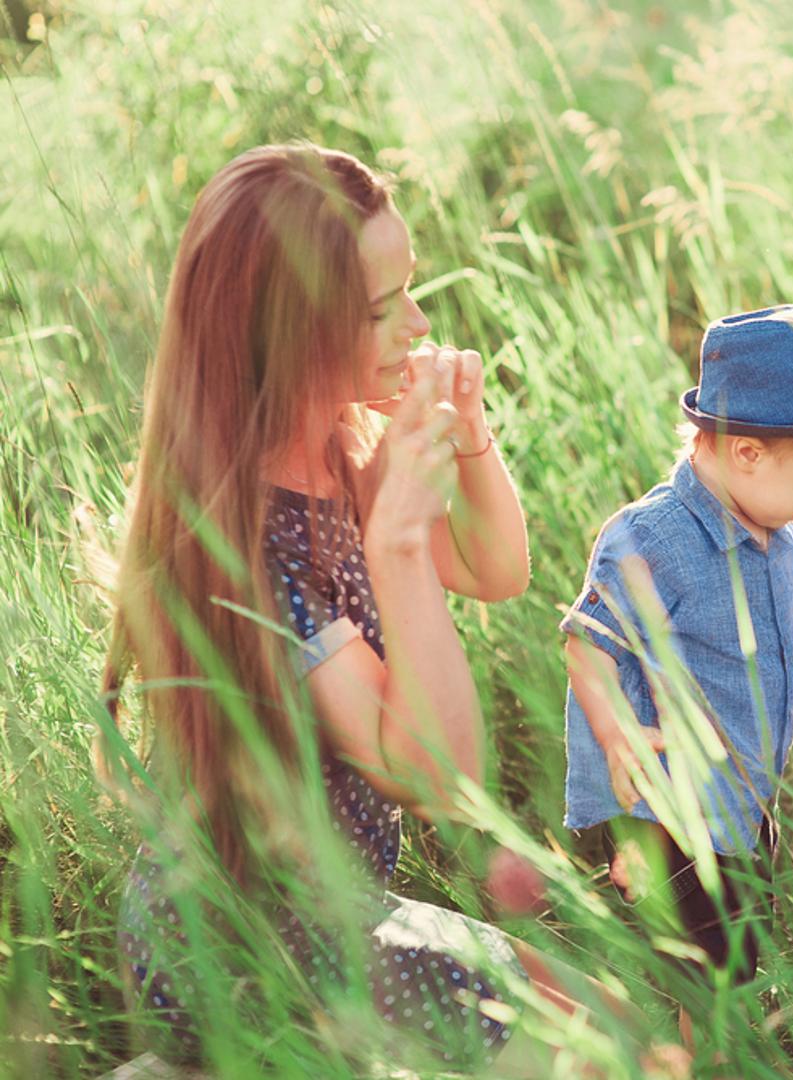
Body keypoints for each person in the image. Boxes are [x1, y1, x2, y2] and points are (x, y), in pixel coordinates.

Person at [101, 143, 589, 1073]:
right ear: (288, 332)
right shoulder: (241, 551)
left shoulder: (337, 446)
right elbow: (435, 776)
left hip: (344, 905)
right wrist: (396, 542)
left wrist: (473, 441)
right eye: (380, 309)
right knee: (603, 1056)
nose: (417, 322)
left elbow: (495, 572)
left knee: (641, 1033)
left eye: (409, 288)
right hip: (249, 939)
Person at [559, 304, 793, 1046]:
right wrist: (617, 733)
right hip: (666, 804)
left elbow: (778, 649)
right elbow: (587, 643)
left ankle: (702, 1046)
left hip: (737, 798)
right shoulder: (652, 538)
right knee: (715, 964)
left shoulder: (774, 534)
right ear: (748, 453)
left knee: (735, 947)